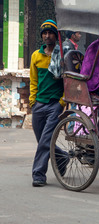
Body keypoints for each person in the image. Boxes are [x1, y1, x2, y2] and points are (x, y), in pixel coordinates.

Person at [29, 20, 69, 187]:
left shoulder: (63, 55)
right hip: (39, 104)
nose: (47, 36)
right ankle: (62, 157)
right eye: (44, 33)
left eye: (50, 33)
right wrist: (32, 101)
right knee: (42, 140)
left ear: (56, 34)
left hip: (55, 105)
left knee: (45, 140)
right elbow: (33, 80)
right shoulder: (36, 56)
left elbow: (69, 81)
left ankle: (38, 174)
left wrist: (62, 102)